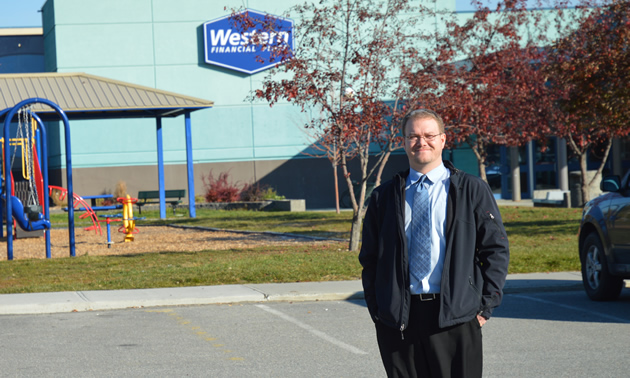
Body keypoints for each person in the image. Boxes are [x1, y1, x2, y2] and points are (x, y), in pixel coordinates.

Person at [359, 109, 510, 377]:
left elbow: (495, 250)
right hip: (399, 321)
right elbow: (370, 258)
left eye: (429, 135)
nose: (421, 142)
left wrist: (485, 307)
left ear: (442, 140)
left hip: (456, 318)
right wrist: (379, 309)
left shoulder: (470, 190)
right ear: (403, 142)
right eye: (413, 136)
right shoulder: (384, 197)